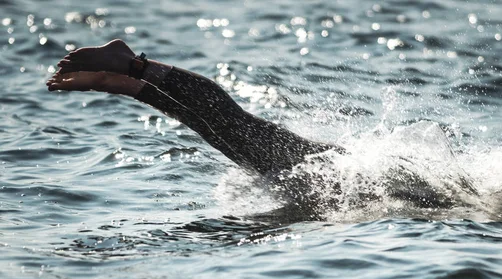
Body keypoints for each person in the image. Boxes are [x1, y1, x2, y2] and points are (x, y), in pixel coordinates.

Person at [47, 39, 343, 178]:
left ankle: (122, 82)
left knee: (212, 128)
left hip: (293, 170)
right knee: (229, 123)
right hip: (321, 163)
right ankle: (134, 66)